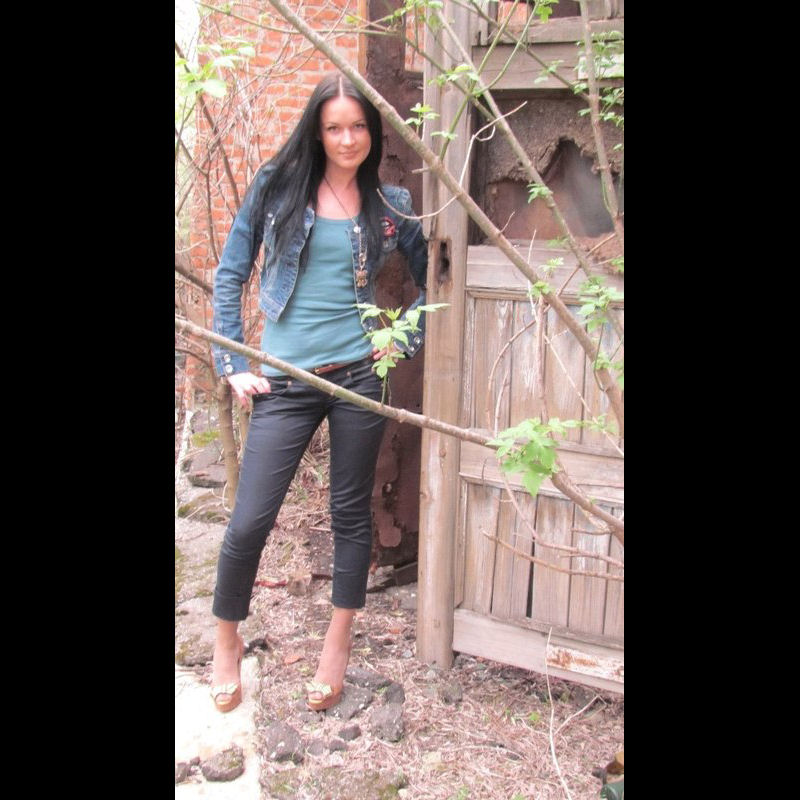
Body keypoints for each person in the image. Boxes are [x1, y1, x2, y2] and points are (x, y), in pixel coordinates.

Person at [209, 71, 428, 713]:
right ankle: (225, 640)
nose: (347, 138)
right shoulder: (277, 188)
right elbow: (230, 274)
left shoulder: (390, 204)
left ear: (372, 132)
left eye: (357, 126)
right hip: (285, 379)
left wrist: (402, 339)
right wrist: (232, 362)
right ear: (316, 131)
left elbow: (433, 281)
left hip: (358, 376)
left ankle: (338, 641)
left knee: (349, 514)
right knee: (250, 520)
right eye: (334, 127)